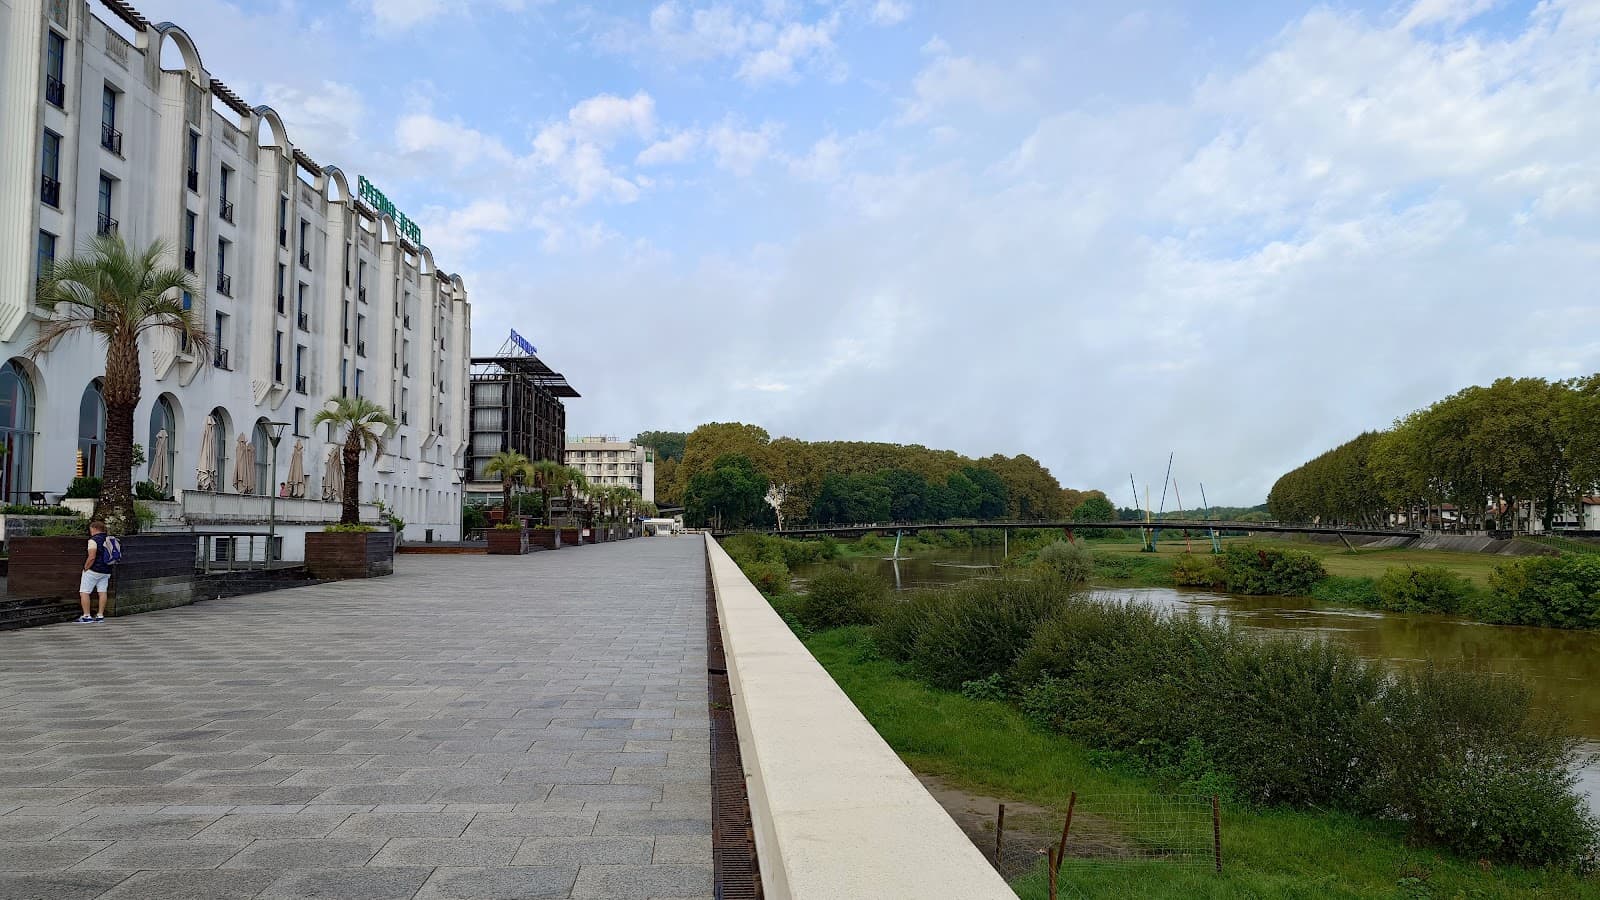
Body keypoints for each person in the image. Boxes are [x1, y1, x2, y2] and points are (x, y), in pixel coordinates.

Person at [78, 520, 115, 623]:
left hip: (93, 570)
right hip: (106, 570)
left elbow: (92, 557)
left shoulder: (93, 540)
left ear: (94, 529)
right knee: (102, 592)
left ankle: (86, 616)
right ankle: (100, 615)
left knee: (84, 592)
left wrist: (86, 568)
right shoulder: (109, 539)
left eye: (91, 530)